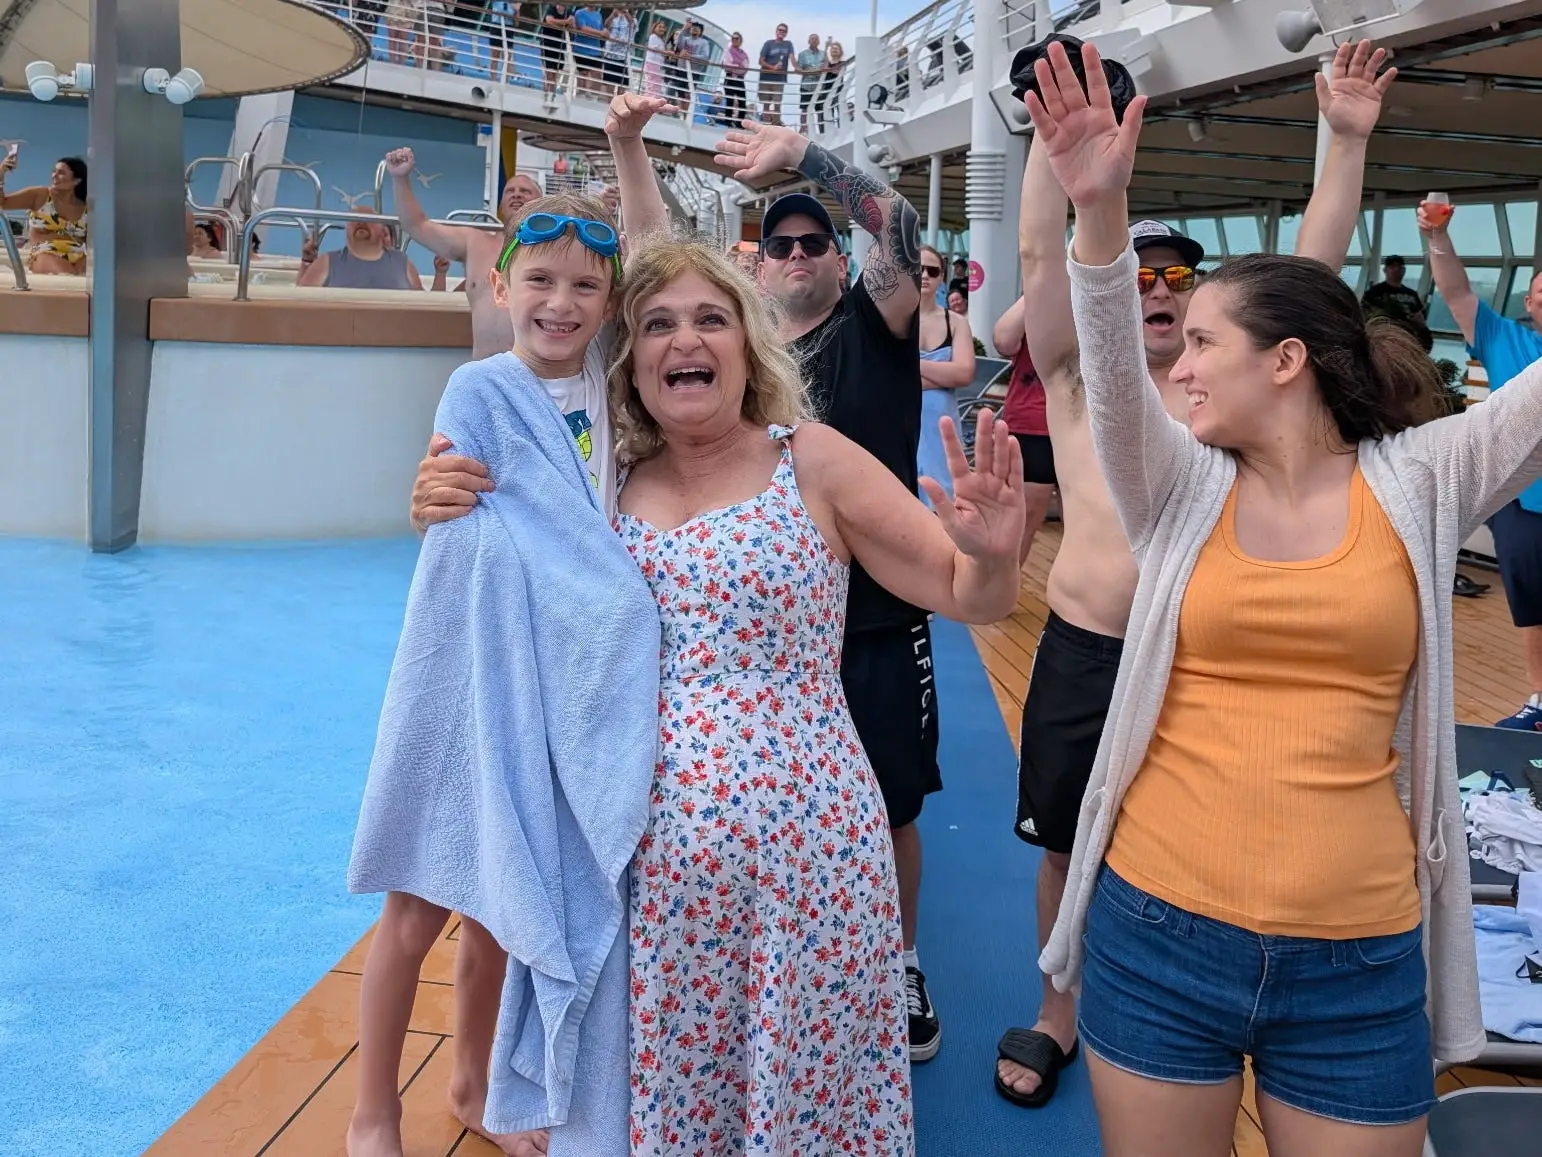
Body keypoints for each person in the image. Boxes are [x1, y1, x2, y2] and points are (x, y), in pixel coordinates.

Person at [1027, 39, 1528, 1157]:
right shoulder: (1176, 484)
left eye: (1204, 340)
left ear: (1288, 359)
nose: (1184, 364)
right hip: (1159, 929)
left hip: (1356, 958)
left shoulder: (1424, 479)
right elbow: (1112, 361)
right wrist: (1096, 209)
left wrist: (1347, 142)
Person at [993, 35, 1393, 1110]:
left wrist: (1343, 144)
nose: (1159, 291)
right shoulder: (1081, 381)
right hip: (1087, 643)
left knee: (1167, 844)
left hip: (1194, 656)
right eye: (1145, 274)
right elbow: (1042, 259)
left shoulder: (1233, 406)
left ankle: (1197, 1013)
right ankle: (1058, 1004)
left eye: (1179, 277)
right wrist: (1051, 139)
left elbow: (1308, 271)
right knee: (1063, 837)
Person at [714, 120, 949, 1064]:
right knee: (766, 797)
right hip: (768, 623)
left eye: (818, 241)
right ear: (760, 264)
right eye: (784, 243)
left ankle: (898, 956)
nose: (803, 253)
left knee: (891, 802)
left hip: (880, 613)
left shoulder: (877, 322)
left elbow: (895, 223)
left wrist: (809, 161)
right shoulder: (735, 353)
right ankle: (782, 950)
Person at [1421, 199, 1542, 727]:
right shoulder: (1505, 339)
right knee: (1534, 612)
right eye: (1541, 291)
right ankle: (1541, 700)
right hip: (1524, 504)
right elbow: (1456, 291)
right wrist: (1439, 238)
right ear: (1531, 303)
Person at [385, 149, 543, 358]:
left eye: (525, 191)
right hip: (483, 377)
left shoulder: (555, 248)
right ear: (501, 206)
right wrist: (400, 177)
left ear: (542, 203)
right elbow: (415, 225)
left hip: (537, 377)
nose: (516, 194)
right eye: (510, 191)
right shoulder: (475, 242)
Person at [992, 298, 1057, 562]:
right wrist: (1037, 285)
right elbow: (1004, 342)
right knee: (1023, 518)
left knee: (1085, 521)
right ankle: (1001, 594)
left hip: (1086, 425)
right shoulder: (1037, 302)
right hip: (1033, 423)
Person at [917, 243, 977, 504]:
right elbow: (885, 377)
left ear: (942, 276)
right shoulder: (893, 320)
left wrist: (909, 367)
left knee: (944, 503)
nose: (924, 276)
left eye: (932, 271)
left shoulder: (956, 322)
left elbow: (963, 373)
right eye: (918, 269)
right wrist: (943, 374)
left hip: (942, 429)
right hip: (901, 425)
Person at [0, 153, 87, 275]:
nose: (54, 175)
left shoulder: (86, 207)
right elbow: (3, 203)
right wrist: (1, 172)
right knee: (68, 276)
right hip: (45, 253)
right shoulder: (40, 196)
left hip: (80, 254)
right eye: (53, 171)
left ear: (77, 180)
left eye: (61, 172)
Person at [297, 208, 423, 290]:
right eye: (355, 219)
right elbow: (297, 304)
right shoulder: (326, 262)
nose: (361, 222)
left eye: (369, 220)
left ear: (382, 231)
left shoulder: (402, 262)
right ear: (347, 230)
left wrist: (440, 273)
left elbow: (428, 308)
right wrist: (307, 263)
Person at [1363, 254, 1432, 350]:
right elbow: (1365, 315)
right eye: (1392, 266)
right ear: (1385, 270)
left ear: (1404, 270)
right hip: (1385, 338)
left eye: (1399, 266)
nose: (1396, 269)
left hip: (1409, 339)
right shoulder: (1375, 292)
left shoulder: (1411, 294)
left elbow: (1420, 316)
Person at [758, 23, 793, 123]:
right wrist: (772, 68)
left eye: (784, 31)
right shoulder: (768, 44)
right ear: (776, 31)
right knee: (766, 104)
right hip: (765, 78)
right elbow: (761, 61)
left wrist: (798, 69)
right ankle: (765, 125)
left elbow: (792, 58)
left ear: (786, 33)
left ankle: (776, 126)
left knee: (777, 104)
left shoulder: (788, 44)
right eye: (780, 30)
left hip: (779, 79)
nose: (781, 32)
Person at [796, 33, 826, 134]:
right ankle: (804, 130)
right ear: (808, 41)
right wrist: (813, 70)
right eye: (812, 39)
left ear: (819, 42)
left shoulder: (824, 54)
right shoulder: (802, 54)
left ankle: (822, 132)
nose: (814, 41)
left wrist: (812, 69)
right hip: (806, 85)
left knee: (820, 110)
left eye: (816, 39)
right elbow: (799, 69)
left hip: (820, 86)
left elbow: (825, 68)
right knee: (804, 109)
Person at [723, 31, 751, 126]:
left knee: (742, 102)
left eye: (736, 38)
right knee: (730, 101)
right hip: (730, 79)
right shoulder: (728, 51)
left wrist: (734, 66)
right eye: (733, 38)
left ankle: (740, 124)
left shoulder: (744, 54)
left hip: (739, 79)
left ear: (740, 41)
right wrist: (737, 66)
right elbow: (726, 66)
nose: (734, 40)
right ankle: (728, 122)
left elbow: (745, 68)